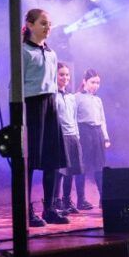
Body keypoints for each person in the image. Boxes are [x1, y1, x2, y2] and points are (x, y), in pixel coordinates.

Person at [21, 8, 68, 227]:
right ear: (30, 25)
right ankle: (26, 211)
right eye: (43, 23)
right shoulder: (23, 52)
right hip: (32, 105)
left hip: (50, 104)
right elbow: (16, 84)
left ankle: (49, 208)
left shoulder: (51, 53)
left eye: (49, 23)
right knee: (30, 160)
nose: (48, 27)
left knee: (53, 158)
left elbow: (52, 83)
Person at [74, 69, 110, 210]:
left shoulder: (98, 100)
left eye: (97, 83)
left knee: (99, 166)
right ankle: (81, 199)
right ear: (84, 81)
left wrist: (106, 137)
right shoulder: (76, 97)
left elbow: (102, 120)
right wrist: (77, 136)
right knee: (82, 166)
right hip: (84, 131)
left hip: (97, 132)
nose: (95, 85)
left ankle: (103, 198)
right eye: (92, 82)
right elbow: (73, 118)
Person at [53, 63, 83, 214]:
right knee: (59, 171)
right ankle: (55, 201)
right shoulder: (52, 96)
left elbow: (74, 118)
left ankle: (66, 200)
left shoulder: (71, 97)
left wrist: (76, 136)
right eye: (61, 74)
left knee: (71, 170)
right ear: (55, 75)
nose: (65, 77)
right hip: (60, 136)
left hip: (72, 136)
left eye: (67, 75)